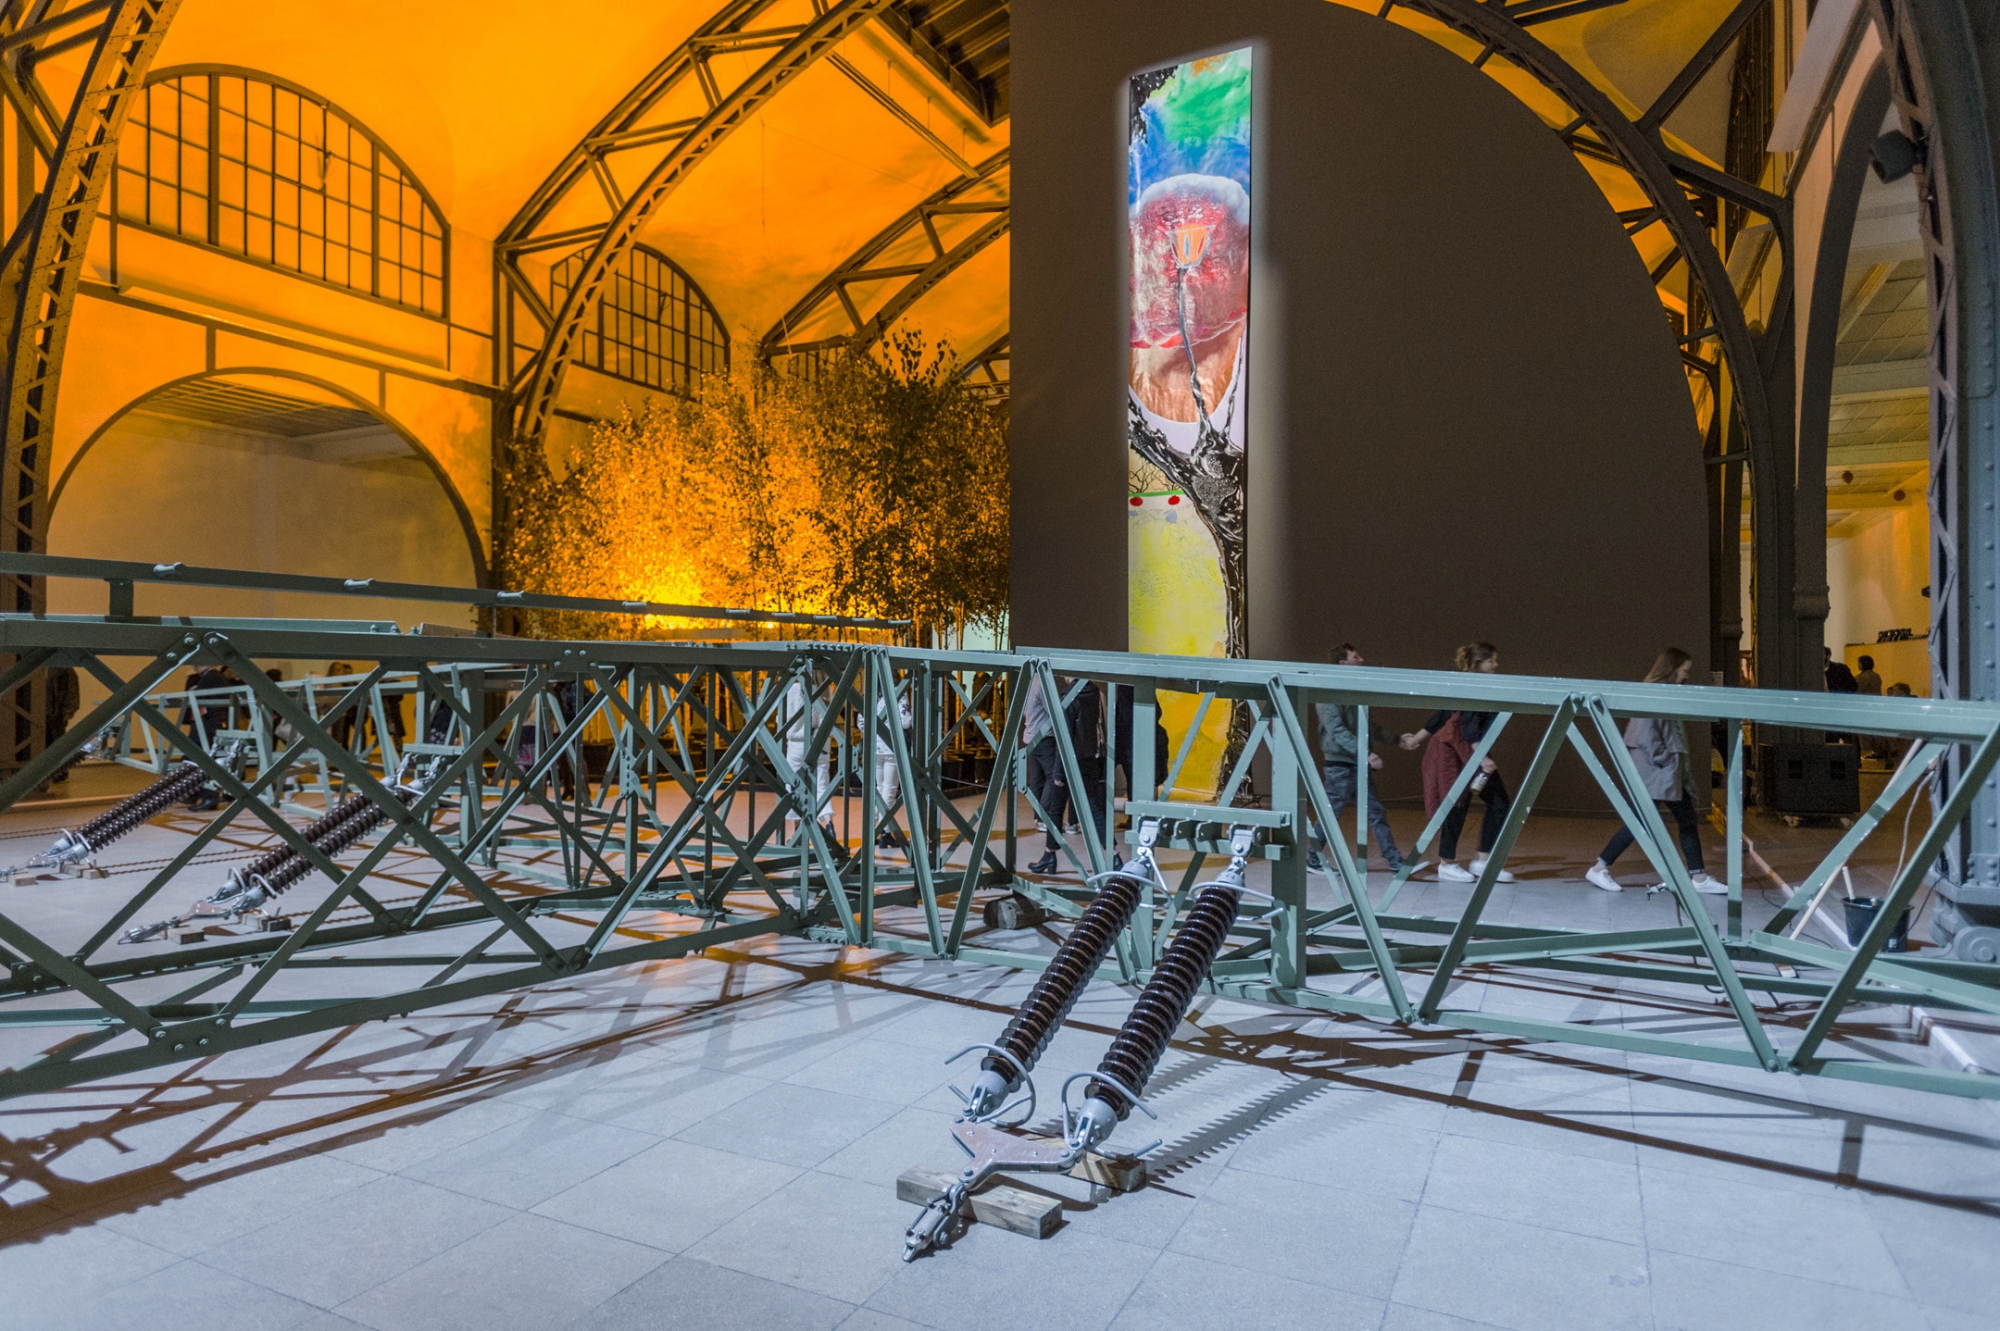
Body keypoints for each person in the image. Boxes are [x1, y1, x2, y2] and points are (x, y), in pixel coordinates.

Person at [1584, 647, 1725, 894]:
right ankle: (1599, 868)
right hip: (1659, 773)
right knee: (1647, 822)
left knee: (1672, 820)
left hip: (1662, 774)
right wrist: (1667, 762)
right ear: (1672, 669)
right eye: (1684, 670)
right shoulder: (1655, 694)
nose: (1686, 675)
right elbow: (1647, 737)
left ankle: (1699, 877)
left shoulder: (1657, 692)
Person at [1401, 642, 1513, 884]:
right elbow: (1465, 726)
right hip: (1453, 753)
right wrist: (1483, 758)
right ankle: (1447, 864)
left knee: (1498, 802)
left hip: (1470, 751)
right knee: (1456, 804)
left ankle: (1482, 861)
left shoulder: (1473, 684)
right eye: (1491, 660)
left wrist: (1415, 739)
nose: (1496, 664)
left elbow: (1443, 715)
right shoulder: (1470, 685)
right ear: (1479, 663)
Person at [1313, 644, 1411, 873]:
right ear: (1342, 664)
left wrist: (1397, 739)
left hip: (1356, 763)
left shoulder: (1352, 693)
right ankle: (1313, 858)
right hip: (1340, 765)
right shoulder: (1328, 694)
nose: (1362, 660)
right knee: (1332, 814)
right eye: (1355, 657)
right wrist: (1366, 753)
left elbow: (1368, 727)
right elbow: (1337, 731)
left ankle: (1395, 861)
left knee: (1375, 812)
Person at [1021, 672, 1066, 874]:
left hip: (1030, 736)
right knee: (1052, 777)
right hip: (1044, 737)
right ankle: (1044, 815)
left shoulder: (1028, 683)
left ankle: (1039, 818)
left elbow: (1025, 712)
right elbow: (1053, 710)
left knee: (1037, 779)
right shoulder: (1041, 683)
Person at [872, 687, 913, 850]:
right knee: (889, 791)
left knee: (879, 789)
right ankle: (885, 833)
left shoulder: (872, 693)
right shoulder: (899, 693)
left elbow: (861, 721)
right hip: (891, 748)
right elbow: (906, 722)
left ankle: (872, 831)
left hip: (875, 747)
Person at [44, 666, 79, 784]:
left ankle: (59, 773)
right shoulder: (42, 670)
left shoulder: (64, 669)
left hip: (56, 713)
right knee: (46, 743)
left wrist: (68, 711)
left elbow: (72, 690)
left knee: (57, 744)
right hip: (44, 713)